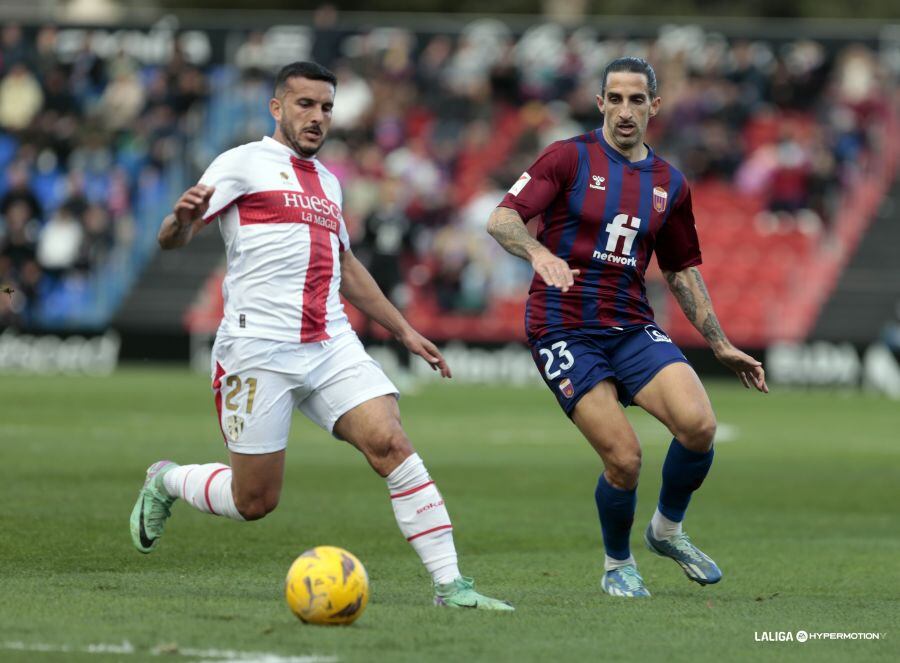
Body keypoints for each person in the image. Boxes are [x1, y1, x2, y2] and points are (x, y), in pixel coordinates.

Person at [130, 61, 512, 612]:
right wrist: (180, 219)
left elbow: (347, 267)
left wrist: (404, 330)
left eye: (326, 107)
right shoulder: (242, 163)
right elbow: (175, 238)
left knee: (391, 444)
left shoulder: (330, 182)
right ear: (277, 107)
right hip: (257, 349)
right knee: (254, 500)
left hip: (329, 342)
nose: (317, 117)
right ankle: (167, 481)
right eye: (305, 104)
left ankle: (452, 587)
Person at [486, 57, 768, 598]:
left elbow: (681, 271)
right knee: (625, 457)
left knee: (700, 427)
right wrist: (539, 253)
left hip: (631, 325)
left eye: (636, 99)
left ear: (654, 106)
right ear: (600, 103)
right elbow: (501, 218)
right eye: (614, 98)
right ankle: (618, 564)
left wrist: (721, 343)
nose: (624, 110)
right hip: (563, 327)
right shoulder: (568, 157)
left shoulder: (669, 183)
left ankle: (667, 530)